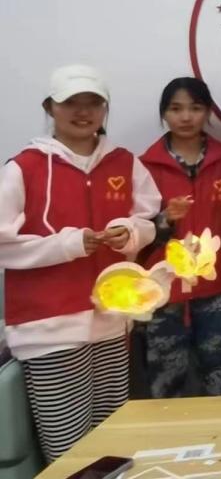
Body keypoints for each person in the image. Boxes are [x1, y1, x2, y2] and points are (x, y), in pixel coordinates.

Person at [0, 65, 159, 461]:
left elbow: (148, 220)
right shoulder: (24, 167)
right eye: (71, 102)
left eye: (93, 103)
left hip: (111, 321)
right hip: (47, 330)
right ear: (49, 107)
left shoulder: (124, 162)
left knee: (113, 440)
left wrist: (130, 231)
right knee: (68, 449)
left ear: (105, 109)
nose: (83, 111)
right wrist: (68, 245)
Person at [140, 77, 221, 397]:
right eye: (175, 109)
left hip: (218, 288)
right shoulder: (144, 166)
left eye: (195, 108)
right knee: (165, 384)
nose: (186, 117)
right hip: (163, 290)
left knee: (218, 378)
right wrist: (165, 219)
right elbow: (135, 231)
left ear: (208, 112)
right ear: (164, 114)